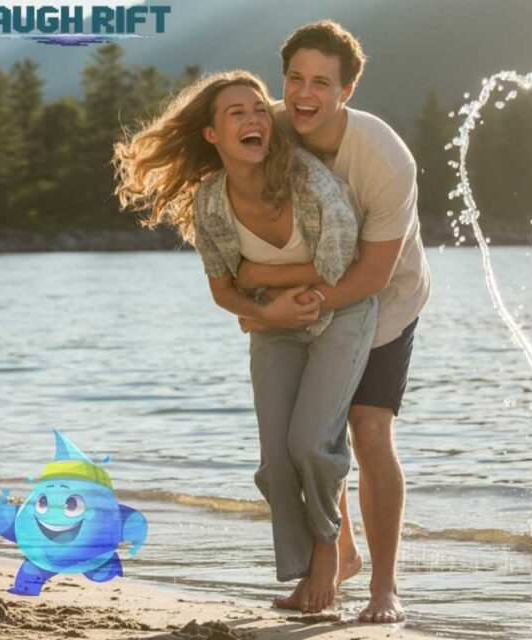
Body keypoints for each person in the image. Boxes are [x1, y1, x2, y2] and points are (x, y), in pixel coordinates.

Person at [112, 70, 377, 614]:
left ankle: (328, 556)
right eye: (237, 113)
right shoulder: (212, 202)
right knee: (276, 462)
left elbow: (338, 266)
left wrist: (257, 277)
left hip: (341, 313)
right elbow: (222, 290)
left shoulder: (308, 181)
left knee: (311, 444)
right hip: (274, 325)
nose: (255, 119)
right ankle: (308, 566)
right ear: (212, 134)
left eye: (259, 109)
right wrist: (266, 309)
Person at [233, 20, 430, 623]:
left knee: (368, 431)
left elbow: (373, 274)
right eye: (295, 78)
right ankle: (338, 556)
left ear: (347, 90)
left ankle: (384, 587)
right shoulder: (268, 131)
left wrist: (288, 303)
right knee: (310, 437)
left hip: (385, 300)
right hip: (298, 295)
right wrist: (258, 302)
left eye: (321, 82)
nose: (304, 93)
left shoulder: (384, 159)